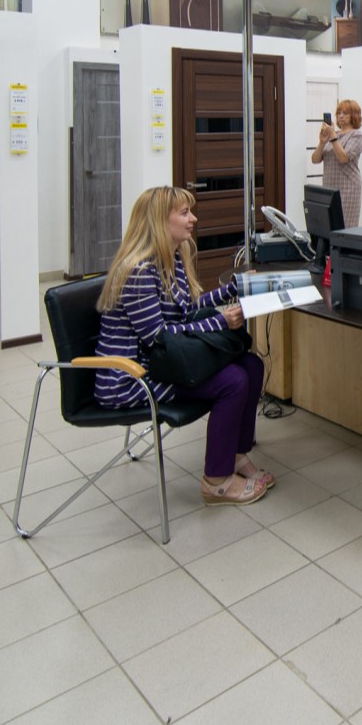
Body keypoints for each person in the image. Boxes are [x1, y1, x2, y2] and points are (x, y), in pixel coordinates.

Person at [94, 185, 274, 506]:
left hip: (163, 362)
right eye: (184, 213)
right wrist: (221, 321)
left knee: (252, 365)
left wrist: (232, 289)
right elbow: (159, 336)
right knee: (234, 381)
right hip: (133, 377)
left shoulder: (171, 259)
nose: (193, 219)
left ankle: (235, 455)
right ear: (159, 221)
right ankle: (216, 480)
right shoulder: (138, 271)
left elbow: (186, 310)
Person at [311, 98, 362, 226]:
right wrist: (322, 142)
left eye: (345, 113)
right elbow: (315, 159)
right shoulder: (333, 135)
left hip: (348, 187)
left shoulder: (356, 135)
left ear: (354, 116)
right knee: (329, 225)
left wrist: (333, 137)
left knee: (345, 225)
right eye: (339, 113)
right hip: (329, 186)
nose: (340, 116)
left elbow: (343, 158)